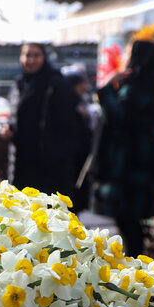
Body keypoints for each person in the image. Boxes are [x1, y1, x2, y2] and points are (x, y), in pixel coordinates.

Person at [96, 40, 154, 257]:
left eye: (129, 51)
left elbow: (119, 117)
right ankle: (137, 258)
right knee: (133, 216)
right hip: (146, 154)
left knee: (128, 215)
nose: (125, 55)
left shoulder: (139, 85)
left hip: (132, 157)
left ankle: (135, 260)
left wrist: (106, 89)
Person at [3, 42, 83, 201]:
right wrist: (9, 129)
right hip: (22, 160)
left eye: (36, 55)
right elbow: (15, 116)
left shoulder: (56, 83)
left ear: (44, 57)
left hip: (49, 165)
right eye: (27, 55)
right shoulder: (19, 84)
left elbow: (68, 125)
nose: (31, 60)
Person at [62, 63, 96, 212]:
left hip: (81, 155)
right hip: (71, 157)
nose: (84, 87)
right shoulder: (68, 105)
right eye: (81, 84)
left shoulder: (80, 103)